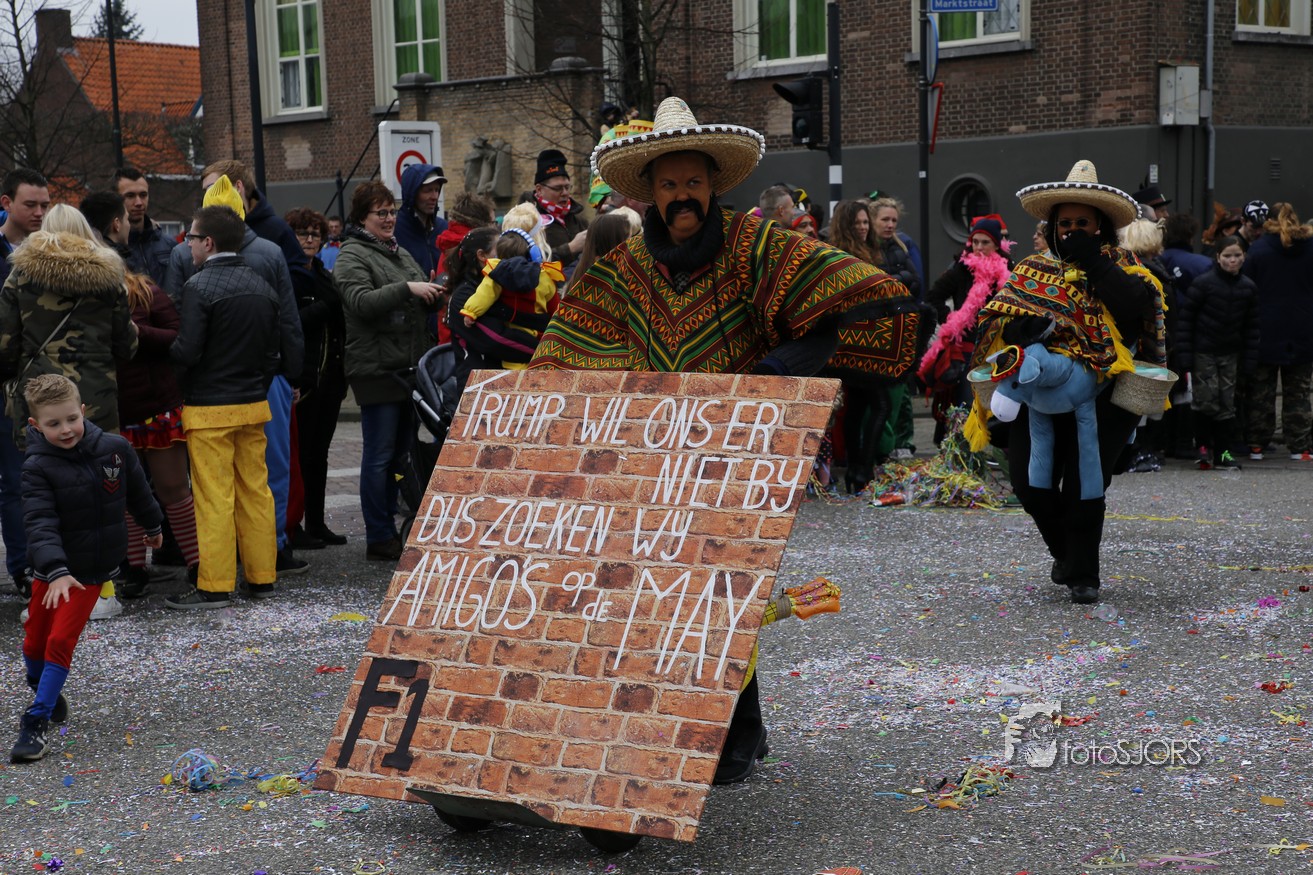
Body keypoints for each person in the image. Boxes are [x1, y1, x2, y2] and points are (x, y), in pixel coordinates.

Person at [529, 96, 913, 784]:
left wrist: (770, 377)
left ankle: (738, 730)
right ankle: (707, 720)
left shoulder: (755, 245)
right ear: (651, 192)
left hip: (744, 447)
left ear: (713, 185)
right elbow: (571, 340)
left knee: (725, 586)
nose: (682, 196)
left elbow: (836, 305)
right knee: (670, 592)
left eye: (693, 182)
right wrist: (543, 407)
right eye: (669, 184)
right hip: (656, 456)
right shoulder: (627, 266)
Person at [964, 159, 1166, 606]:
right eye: (1066, 224)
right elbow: (998, 320)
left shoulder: (1122, 265)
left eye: (1082, 224)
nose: (1073, 231)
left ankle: (1084, 575)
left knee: (1083, 485)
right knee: (1028, 485)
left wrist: (1092, 262)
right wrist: (1020, 331)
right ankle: (1065, 553)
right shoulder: (1032, 268)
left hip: (1103, 393)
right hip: (1037, 391)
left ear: (1100, 227)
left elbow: (1136, 309)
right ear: (1053, 227)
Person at [11, 375, 161, 762]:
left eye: (71, 419)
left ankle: (36, 721)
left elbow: (138, 490)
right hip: (51, 571)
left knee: (60, 641)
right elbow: (39, 522)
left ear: (83, 411)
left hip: (91, 569)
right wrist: (55, 569)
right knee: (34, 642)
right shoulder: (36, 466)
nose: (65, 430)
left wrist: (153, 525)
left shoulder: (115, 449)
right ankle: (43, 687)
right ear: (36, 426)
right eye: (53, 424)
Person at [0, 204, 139, 620]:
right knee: (100, 497)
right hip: (94, 402)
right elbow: (127, 345)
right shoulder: (110, 277)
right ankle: (103, 590)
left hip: (40, 402)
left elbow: (5, 346)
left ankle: (46, 591)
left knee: (41, 499)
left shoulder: (20, 275)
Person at [165, 174, 309, 573]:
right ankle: (263, 572)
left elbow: (186, 347)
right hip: (254, 399)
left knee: (214, 496)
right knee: (257, 489)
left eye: (193, 237)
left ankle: (216, 581)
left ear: (208, 241)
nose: (188, 243)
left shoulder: (197, 284)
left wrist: (170, 366)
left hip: (209, 405)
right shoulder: (264, 275)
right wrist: (282, 377)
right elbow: (281, 335)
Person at [79, 192, 199, 597]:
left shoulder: (143, 289)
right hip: (113, 410)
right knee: (122, 492)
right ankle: (133, 569)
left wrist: (136, 333)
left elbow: (175, 335)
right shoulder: (82, 296)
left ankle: (198, 564)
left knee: (173, 488)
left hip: (154, 407)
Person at [334, 181, 444, 562]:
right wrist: (408, 288)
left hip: (406, 368)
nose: (389, 218)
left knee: (400, 455)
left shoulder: (397, 251)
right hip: (376, 370)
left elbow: (415, 295)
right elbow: (361, 302)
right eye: (380, 212)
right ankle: (378, 535)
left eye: (392, 211)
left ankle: (391, 529)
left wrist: (433, 294)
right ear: (361, 217)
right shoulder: (351, 255)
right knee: (379, 456)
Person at [284, 207, 349, 546]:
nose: (310, 239)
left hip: (329, 377)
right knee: (299, 454)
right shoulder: (287, 275)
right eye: (303, 233)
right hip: (302, 378)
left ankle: (316, 521)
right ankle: (293, 525)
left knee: (319, 453)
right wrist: (324, 308)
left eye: (316, 234)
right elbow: (290, 322)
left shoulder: (323, 274)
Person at [0, 168, 50, 599]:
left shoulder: (49, 252)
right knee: (15, 478)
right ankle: (23, 565)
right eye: (30, 204)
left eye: (44, 205)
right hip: (5, 379)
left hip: (37, 384)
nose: (38, 212)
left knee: (29, 477)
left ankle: (34, 565)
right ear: (6, 203)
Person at [920, 215, 1013, 445]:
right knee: (964, 402)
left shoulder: (1009, 270)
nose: (978, 247)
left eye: (985, 242)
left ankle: (992, 450)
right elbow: (933, 297)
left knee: (997, 404)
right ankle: (960, 450)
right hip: (967, 348)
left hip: (998, 346)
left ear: (996, 245)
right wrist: (951, 318)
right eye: (975, 242)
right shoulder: (962, 268)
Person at [1177, 235, 1258, 470]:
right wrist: (1185, 357)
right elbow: (1186, 321)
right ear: (1218, 257)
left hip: (1230, 352)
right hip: (1204, 351)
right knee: (1206, 400)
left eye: (1237, 255)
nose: (1233, 260)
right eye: (1227, 256)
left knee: (1227, 403)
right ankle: (1203, 445)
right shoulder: (1203, 284)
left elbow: (1252, 327)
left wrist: (1250, 361)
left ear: (1244, 257)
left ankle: (1223, 451)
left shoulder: (1248, 288)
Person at [825, 199, 889, 492]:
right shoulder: (842, 256)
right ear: (846, 226)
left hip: (869, 339)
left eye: (865, 222)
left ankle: (856, 471)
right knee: (880, 404)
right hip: (855, 341)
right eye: (857, 223)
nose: (863, 227)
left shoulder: (870, 251)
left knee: (860, 406)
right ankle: (863, 470)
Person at [1241, 202, 1313, 461]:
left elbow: (1247, 288)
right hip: (1303, 328)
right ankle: (1299, 446)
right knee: (1299, 392)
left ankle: (1257, 444)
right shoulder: (1309, 247)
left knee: (1262, 391)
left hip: (1265, 329)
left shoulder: (1258, 250)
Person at [870, 196, 925, 459]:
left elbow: (915, 280)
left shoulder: (900, 245)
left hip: (901, 323)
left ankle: (903, 442)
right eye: (885, 219)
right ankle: (883, 446)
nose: (890, 225)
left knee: (901, 389)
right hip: (877, 325)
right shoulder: (867, 248)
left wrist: (892, 280)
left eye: (894, 220)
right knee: (883, 392)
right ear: (873, 220)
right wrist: (897, 281)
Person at [112, 168, 173, 286]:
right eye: (130, 196)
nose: (139, 202)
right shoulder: (108, 249)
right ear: (115, 199)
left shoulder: (168, 244)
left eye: (143, 195)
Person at [533, 149, 589, 270]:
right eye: (558, 188)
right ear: (539, 190)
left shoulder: (579, 219)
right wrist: (570, 249)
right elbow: (527, 263)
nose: (565, 193)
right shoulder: (528, 222)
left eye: (567, 187)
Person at [394, 163, 448, 282]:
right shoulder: (393, 230)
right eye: (428, 190)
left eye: (437, 190)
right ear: (412, 194)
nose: (434, 196)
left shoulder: (444, 228)